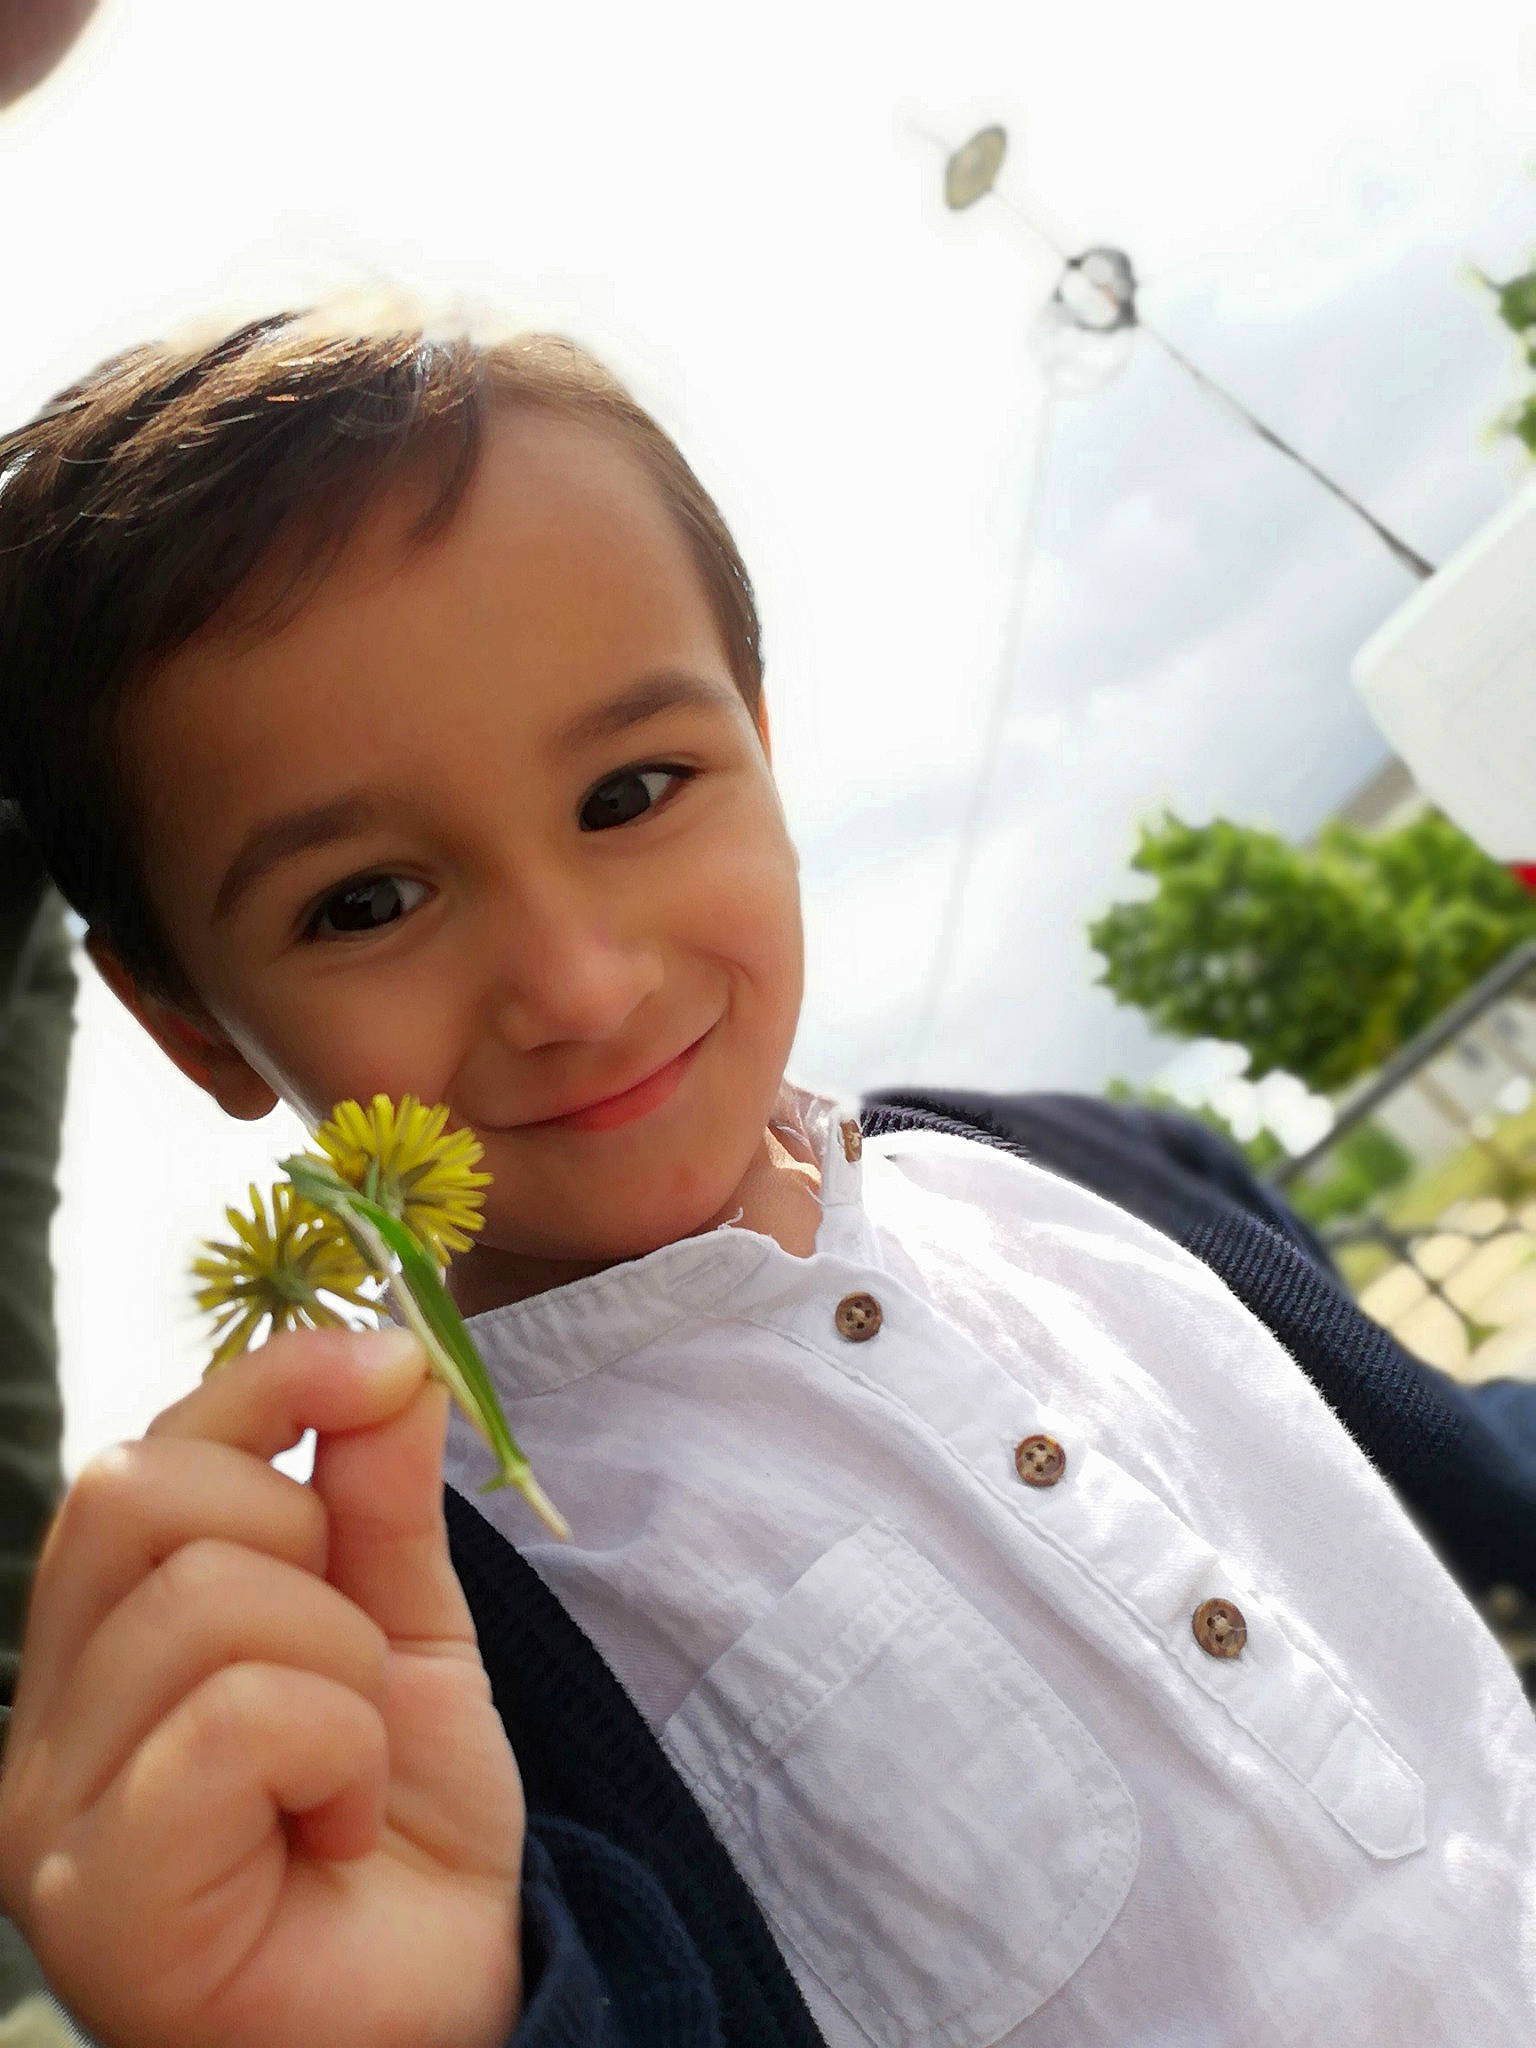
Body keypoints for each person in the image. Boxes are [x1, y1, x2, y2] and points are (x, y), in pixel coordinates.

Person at [0, 312, 1533, 2048]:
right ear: (190, 1026)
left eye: (630, 791)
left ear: (763, 743)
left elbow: (1455, 1483)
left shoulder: (1083, 1169)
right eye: (366, 903)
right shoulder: (430, 1655)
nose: (579, 985)